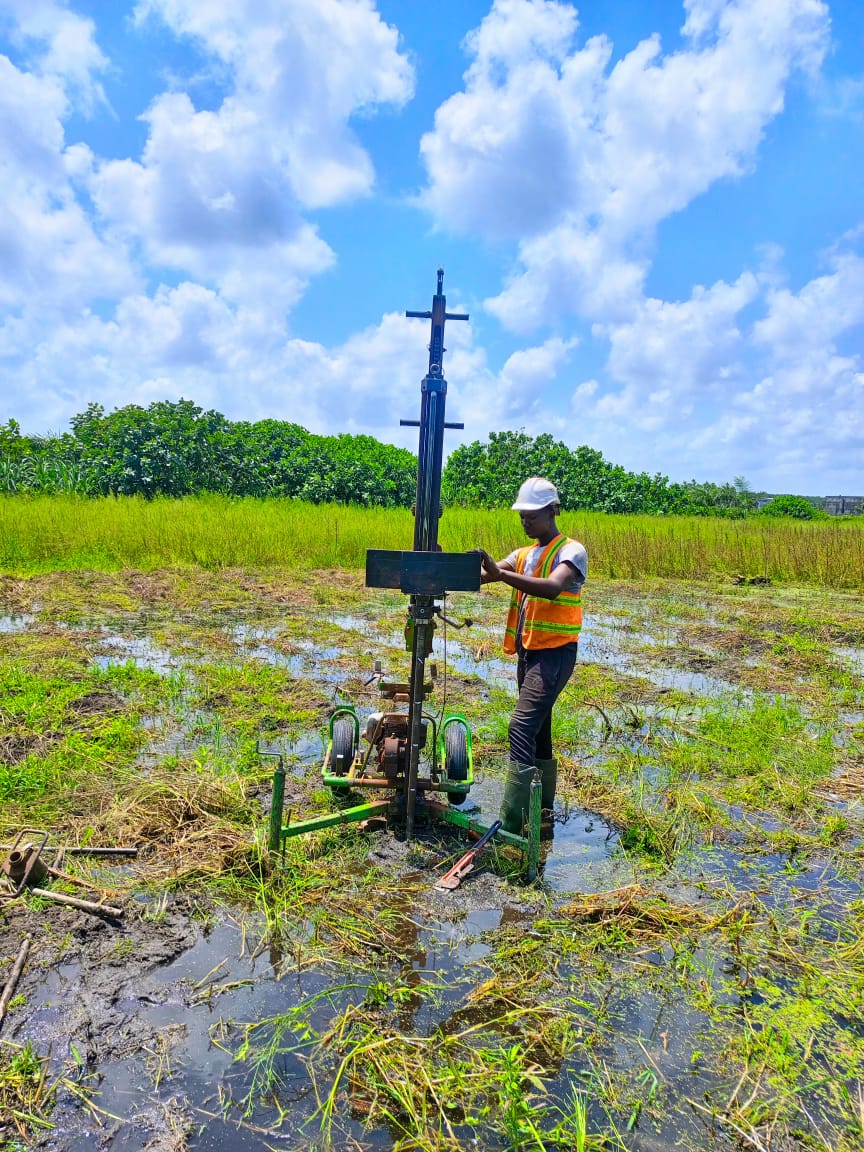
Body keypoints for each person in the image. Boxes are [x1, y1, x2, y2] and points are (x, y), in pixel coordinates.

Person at [477, 477, 587, 834]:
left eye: (532, 515)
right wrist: (444, 565)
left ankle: (511, 823)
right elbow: (485, 575)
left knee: (521, 726)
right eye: (521, 516)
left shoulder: (571, 551)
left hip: (555, 656)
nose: (525, 522)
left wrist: (502, 576)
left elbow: (554, 588)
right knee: (539, 731)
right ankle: (542, 814)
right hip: (529, 652)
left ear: (552, 511)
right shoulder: (523, 555)